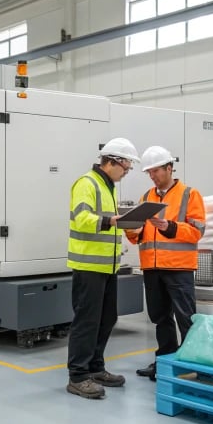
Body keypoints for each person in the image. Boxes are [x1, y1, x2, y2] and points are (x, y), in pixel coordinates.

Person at [65, 137, 140, 400]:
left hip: (107, 266)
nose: (126, 172)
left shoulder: (108, 186)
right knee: (86, 321)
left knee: (107, 318)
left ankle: (95, 368)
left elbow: (106, 222)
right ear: (112, 162)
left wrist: (125, 223)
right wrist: (113, 220)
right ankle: (78, 376)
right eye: (126, 168)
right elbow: (82, 218)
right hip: (88, 265)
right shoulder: (87, 183)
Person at [126, 146, 206, 381]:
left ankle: (192, 364)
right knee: (160, 318)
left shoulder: (189, 195)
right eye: (149, 172)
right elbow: (137, 236)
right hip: (151, 267)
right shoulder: (146, 198)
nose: (152, 176)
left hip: (179, 267)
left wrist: (170, 227)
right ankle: (165, 361)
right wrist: (132, 230)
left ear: (170, 168)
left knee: (186, 317)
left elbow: (198, 230)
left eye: (156, 171)